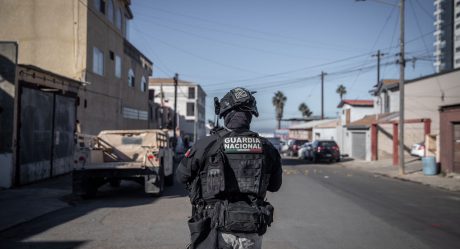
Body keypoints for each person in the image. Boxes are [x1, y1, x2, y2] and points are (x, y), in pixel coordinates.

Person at [176, 87, 283, 249]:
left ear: (226, 113)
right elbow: (275, 186)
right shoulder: (267, 148)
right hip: (251, 230)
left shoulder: (207, 144)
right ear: (250, 114)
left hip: (215, 230)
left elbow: (181, 176)